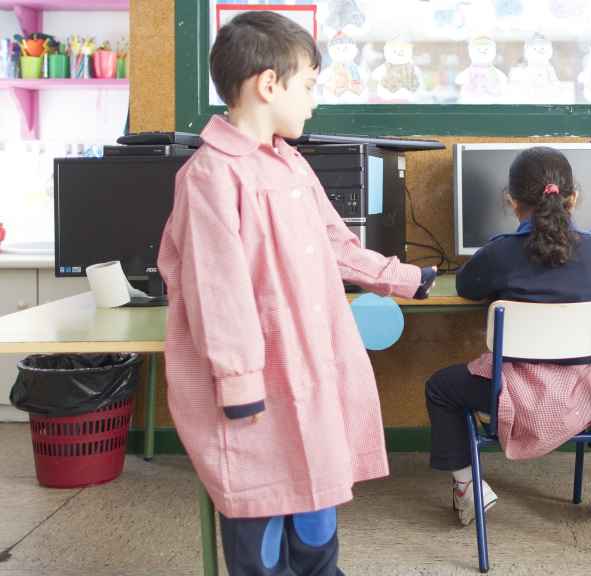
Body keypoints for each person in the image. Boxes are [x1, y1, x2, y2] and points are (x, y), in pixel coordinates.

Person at [157, 11, 436, 575]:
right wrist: (237, 384)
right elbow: (217, 291)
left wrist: (403, 277)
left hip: (311, 368)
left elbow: (335, 242)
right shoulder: (213, 175)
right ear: (268, 84)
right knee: (262, 507)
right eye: (308, 86)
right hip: (252, 388)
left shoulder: (291, 166)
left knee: (316, 509)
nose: (313, 103)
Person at [425, 146, 591, 526]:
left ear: (511, 200)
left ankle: (468, 487)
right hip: (578, 393)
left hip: (514, 394)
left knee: (440, 387)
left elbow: (467, 287)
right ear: (573, 198)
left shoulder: (500, 253)